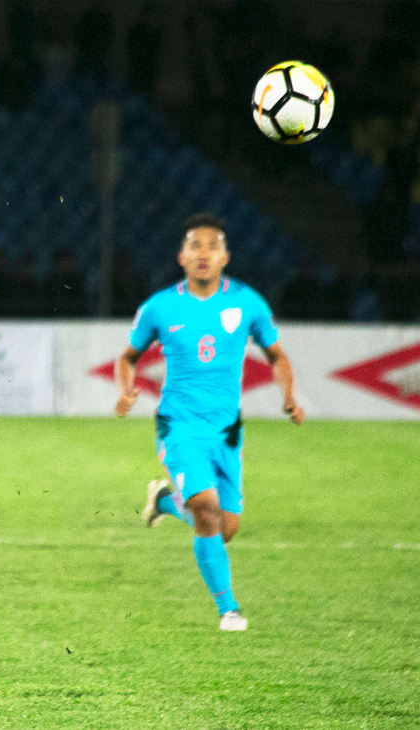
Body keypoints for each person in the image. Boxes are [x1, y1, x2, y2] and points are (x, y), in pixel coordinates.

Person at [111, 213, 304, 632]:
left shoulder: (248, 303)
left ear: (225, 257)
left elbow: (277, 356)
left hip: (227, 431)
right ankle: (229, 610)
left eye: (212, 246)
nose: (203, 253)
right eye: (194, 246)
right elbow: (127, 357)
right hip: (179, 425)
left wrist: (288, 396)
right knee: (206, 509)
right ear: (181, 256)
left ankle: (165, 501)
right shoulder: (160, 307)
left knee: (224, 528)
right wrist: (126, 390)